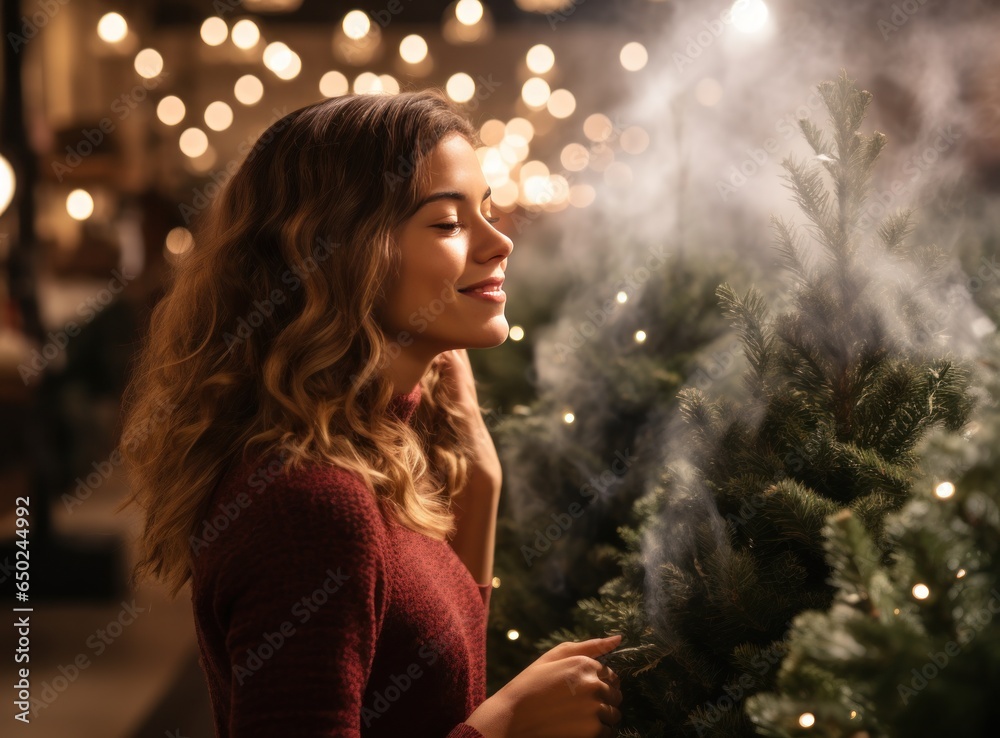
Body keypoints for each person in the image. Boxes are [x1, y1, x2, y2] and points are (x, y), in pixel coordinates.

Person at [118, 89, 624, 738]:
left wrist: (482, 485)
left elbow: (434, 696)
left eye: (487, 212)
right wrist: (509, 723)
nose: (500, 243)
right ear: (343, 253)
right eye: (447, 223)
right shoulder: (313, 505)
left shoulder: (378, 456)